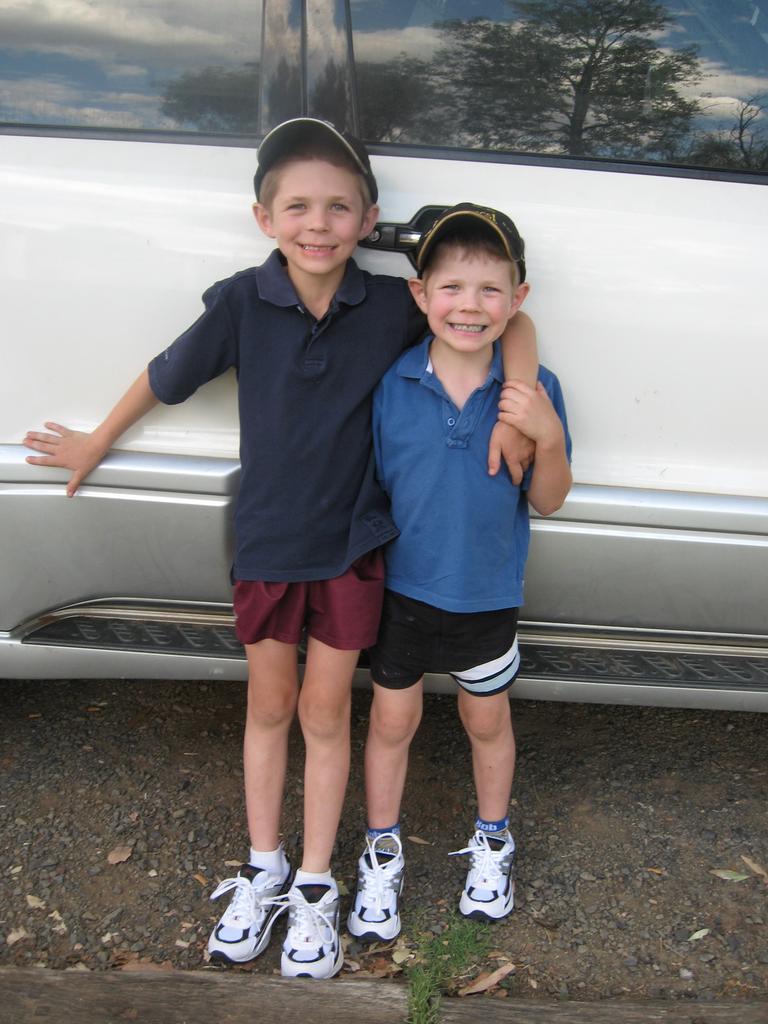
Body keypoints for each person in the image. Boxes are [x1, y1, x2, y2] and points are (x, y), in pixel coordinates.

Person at [23, 122, 537, 979]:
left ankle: (314, 889)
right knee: (268, 708)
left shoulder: (386, 306)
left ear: (368, 218)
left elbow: (498, 310)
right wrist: (96, 442)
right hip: (266, 547)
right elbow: (166, 373)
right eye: (297, 206)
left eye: (340, 207)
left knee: (326, 715)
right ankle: (263, 865)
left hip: (349, 553)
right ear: (262, 217)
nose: (319, 223)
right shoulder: (238, 302)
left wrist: (522, 406)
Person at [347, 204, 572, 942]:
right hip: (404, 596)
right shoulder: (392, 385)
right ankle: (382, 849)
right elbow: (378, 484)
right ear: (420, 295)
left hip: (485, 599)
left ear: (518, 300)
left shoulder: (536, 393)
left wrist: (548, 436)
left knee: (486, 720)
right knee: (391, 722)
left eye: (488, 290)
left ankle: (493, 840)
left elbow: (547, 498)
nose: (469, 306)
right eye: (451, 288)